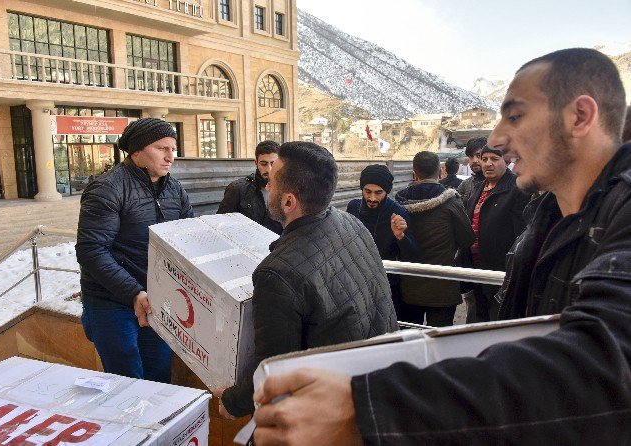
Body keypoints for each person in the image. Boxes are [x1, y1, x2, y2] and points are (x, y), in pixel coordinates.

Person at [251, 48, 631, 445]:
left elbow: (609, 361)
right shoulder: (549, 212)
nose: (498, 139)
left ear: (580, 117)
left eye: (515, 116)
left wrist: (368, 408)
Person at [214, 141, 398, 419]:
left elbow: (274, 368)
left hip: (331, 410)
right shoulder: (351, 223)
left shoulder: (277, 274)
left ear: (289, 201)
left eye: (273, 183)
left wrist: (232, 402)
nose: (268, 188)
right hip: (375, 386)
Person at [76, 118, 194, 384]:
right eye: (162, 148)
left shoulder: (174, 189)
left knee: (158, 377)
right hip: (111, 303)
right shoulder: (108, 188)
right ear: (137, 151)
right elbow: (91, 250)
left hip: (155, 300)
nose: (170, 157)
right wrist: (132, 292)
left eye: (173, 149)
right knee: (126, 382)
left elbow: (189, 239)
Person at [396, 151, 474, 326]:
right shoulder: (452, 202)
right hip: (443, 287)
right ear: (440, 171)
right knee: (440, 343)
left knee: (411, 341)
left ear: (414, 173)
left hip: (409, 285)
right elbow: (467, 239)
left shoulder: (398, 203)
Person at [460, 145, 530, 321]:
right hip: (476, 269)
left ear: (505, 161)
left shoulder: (517, 189)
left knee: (497, 321)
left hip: (501, 272)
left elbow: (522, 235)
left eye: (494, 159)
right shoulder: (477, 188)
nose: (488, 164)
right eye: (484, 159)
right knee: (478, 320)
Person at [346, 164, 419, 311]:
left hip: (388, 286)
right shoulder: (353, 207)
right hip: (356, 283)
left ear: (386, 191)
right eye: (368, 191)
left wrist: (400, 236)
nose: (372, 198)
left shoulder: (398, 212)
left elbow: (413, 254)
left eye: (378, 193)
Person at [217, 140, 282, 234]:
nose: (269, 169)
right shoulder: (237, 189)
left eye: (273, 163)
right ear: (256, 163)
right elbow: (221, 224)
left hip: (278, 247)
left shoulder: (287, 190)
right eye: (263, 164)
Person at [456, 136, 487, 206]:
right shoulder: (465, 185)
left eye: (478, 155)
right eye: (471, 156)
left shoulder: (498, 183)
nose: (474, 161)